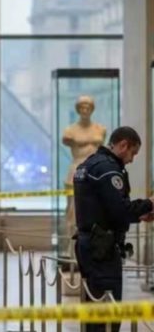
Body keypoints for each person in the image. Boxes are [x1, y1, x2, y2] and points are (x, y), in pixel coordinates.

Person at [73, 126, 154, 332]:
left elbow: (108, 210)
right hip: (101, 250)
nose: (132, 159)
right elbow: (119, 211)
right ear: (123, 145)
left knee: (94, 313)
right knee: (107, 314)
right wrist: (148, 205)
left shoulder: (89, 164)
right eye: (133, 153)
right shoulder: (108, 170)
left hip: (90, 245)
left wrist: (137, 213)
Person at [61, 95, 107, 255]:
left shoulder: (100, 129)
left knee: (95, 210)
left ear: (92, 109)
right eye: (82, 106)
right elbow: (67, 140)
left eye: (88, 106)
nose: (85, 110)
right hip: (77, 169)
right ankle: (71, 250)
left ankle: (93, 248)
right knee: (73, 212)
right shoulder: (70, 131)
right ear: (78, 109)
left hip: (95, 170)